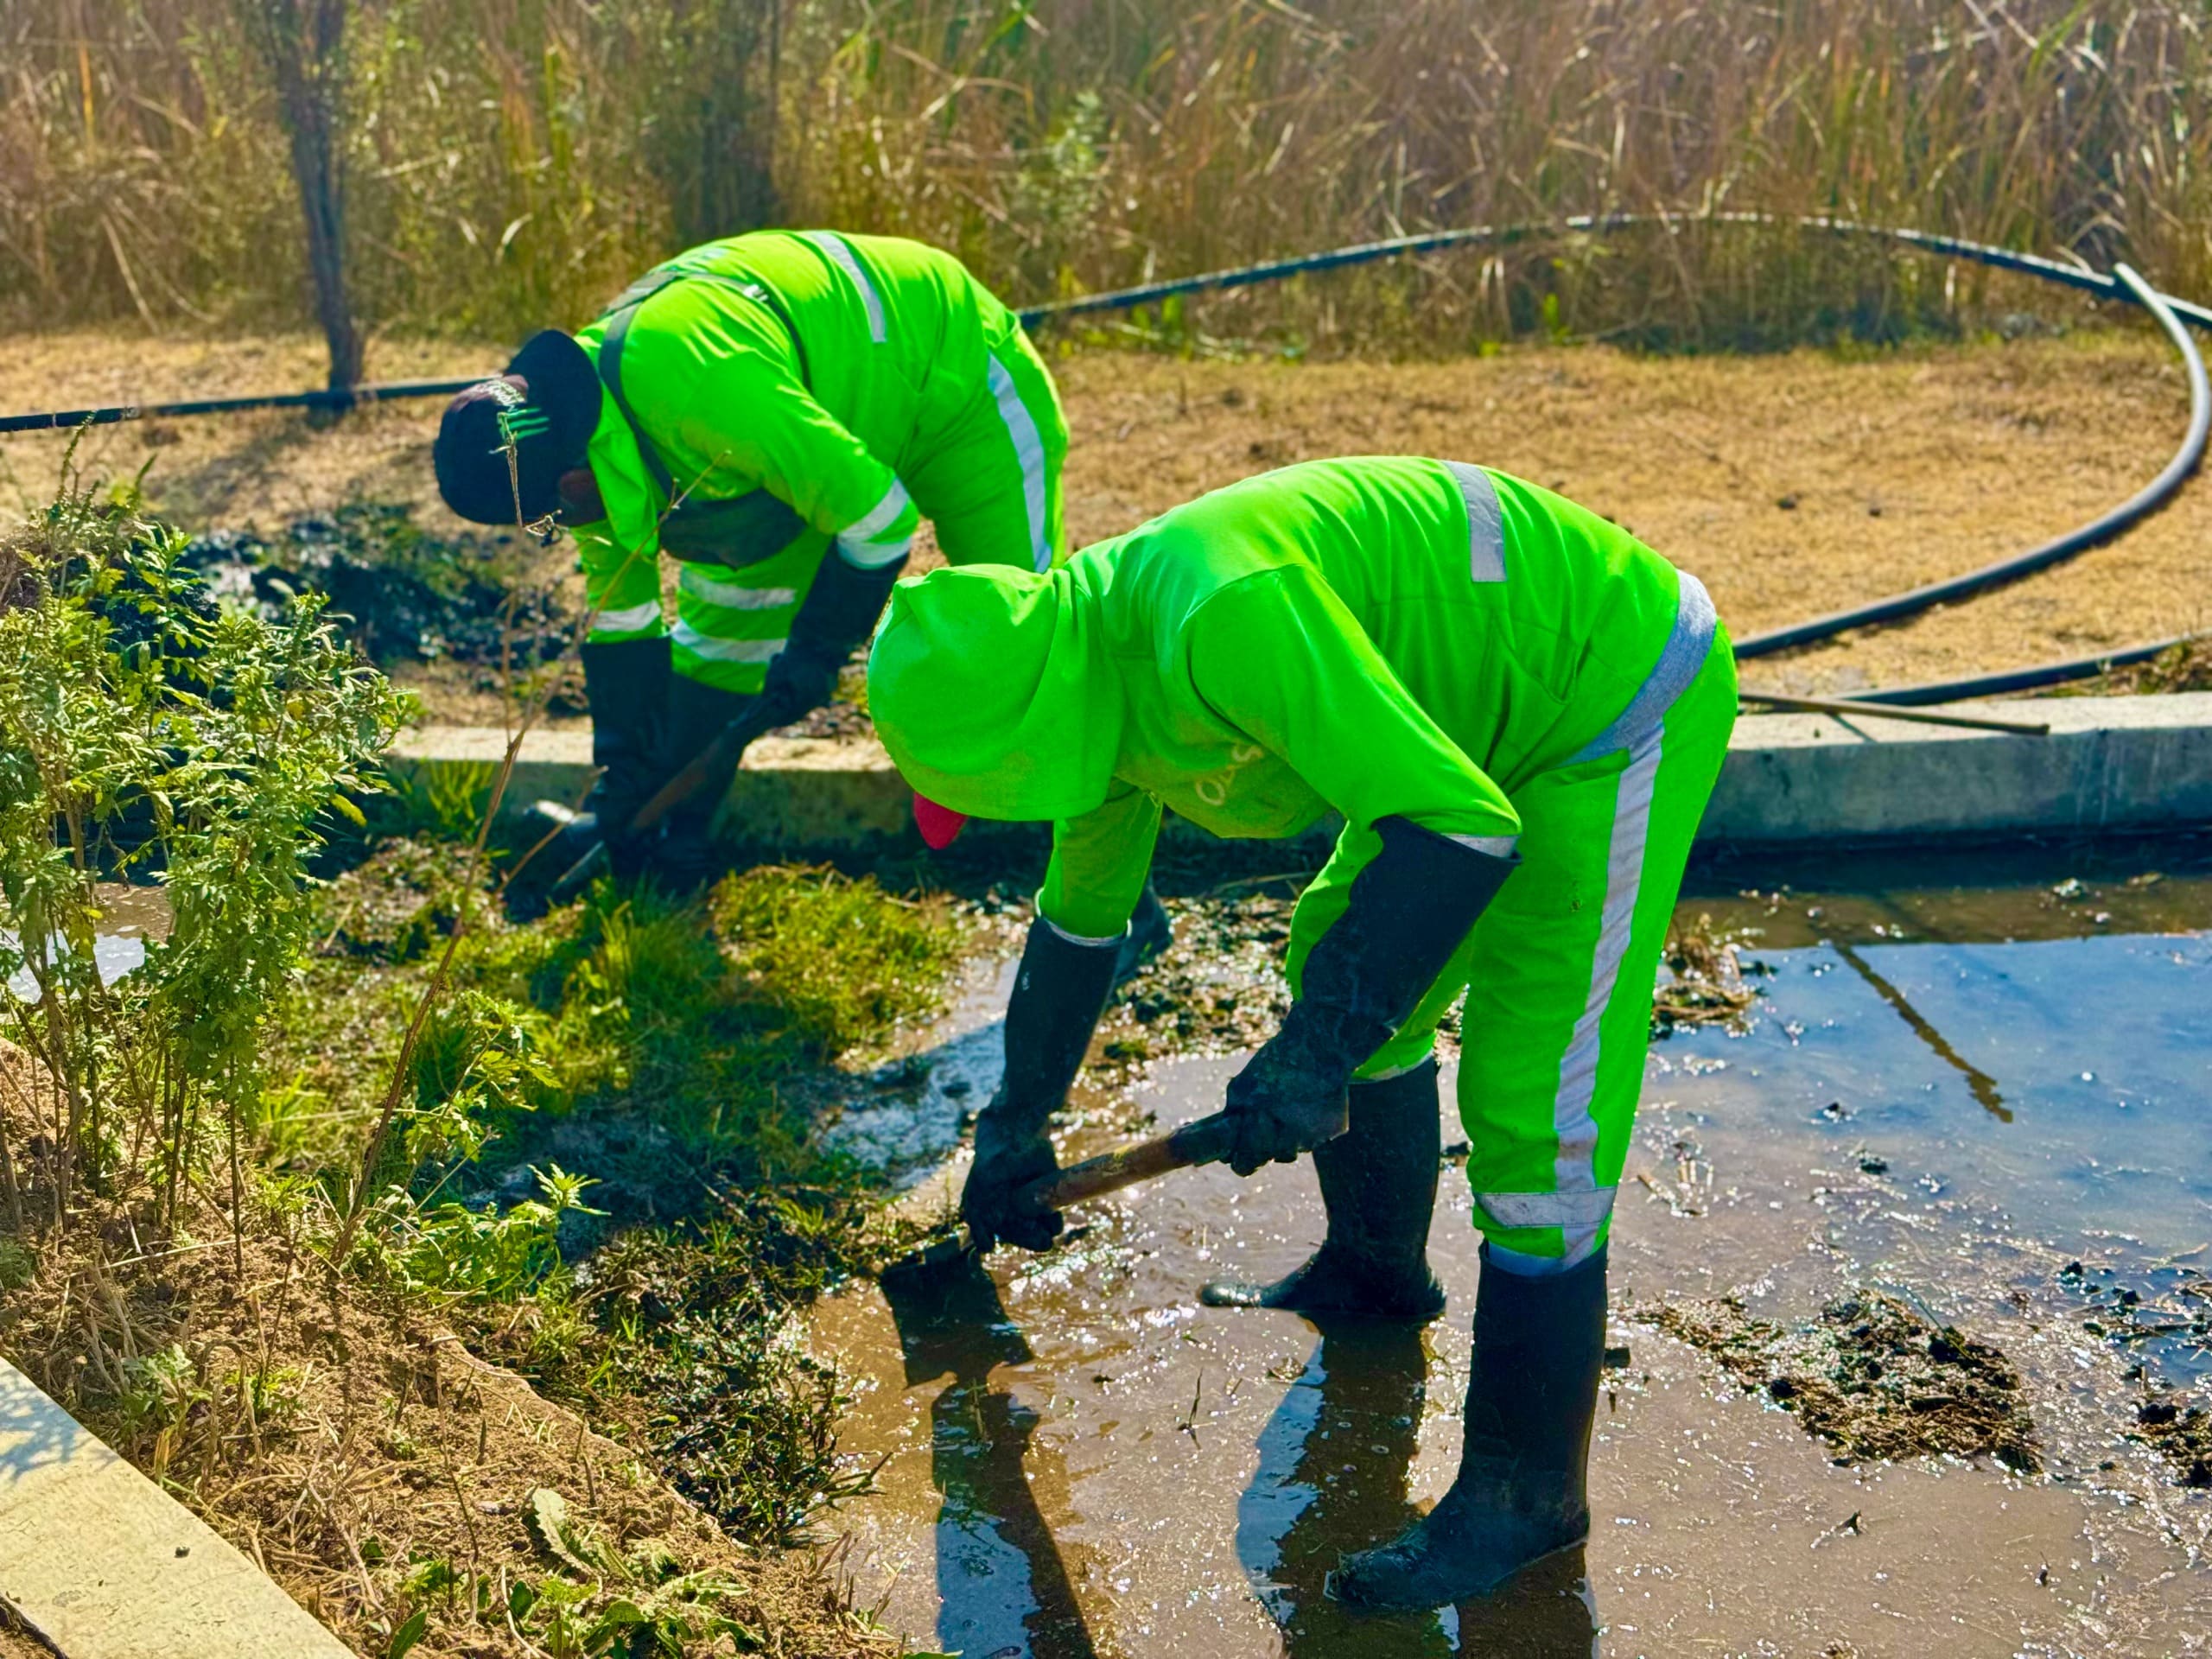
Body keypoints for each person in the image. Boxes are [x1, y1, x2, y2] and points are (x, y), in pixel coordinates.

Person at [865, 455, 1736, 1611]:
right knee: (1340, 952)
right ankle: (1375, 1274)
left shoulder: (1218, 615)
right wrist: (1015, 1126)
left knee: (1541, 1100)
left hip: (1606, 699)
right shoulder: (1082, 684)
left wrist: (1314, 1052)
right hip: (1473, 726)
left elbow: (1459, 829)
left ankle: (1527, 1498)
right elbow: (1081, 928)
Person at [430, 230, 1073, 880]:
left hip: (954, 376)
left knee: (1021, 647)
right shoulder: (578, 438)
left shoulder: (694, 388)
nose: (557, 527)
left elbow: (878, 521)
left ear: (569, 479)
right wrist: (622, 786)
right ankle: (669, 840)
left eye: (549, 516)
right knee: (719, 651)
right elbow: (622, 620)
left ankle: (1112, 905)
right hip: (799, 442)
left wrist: (817, 654)